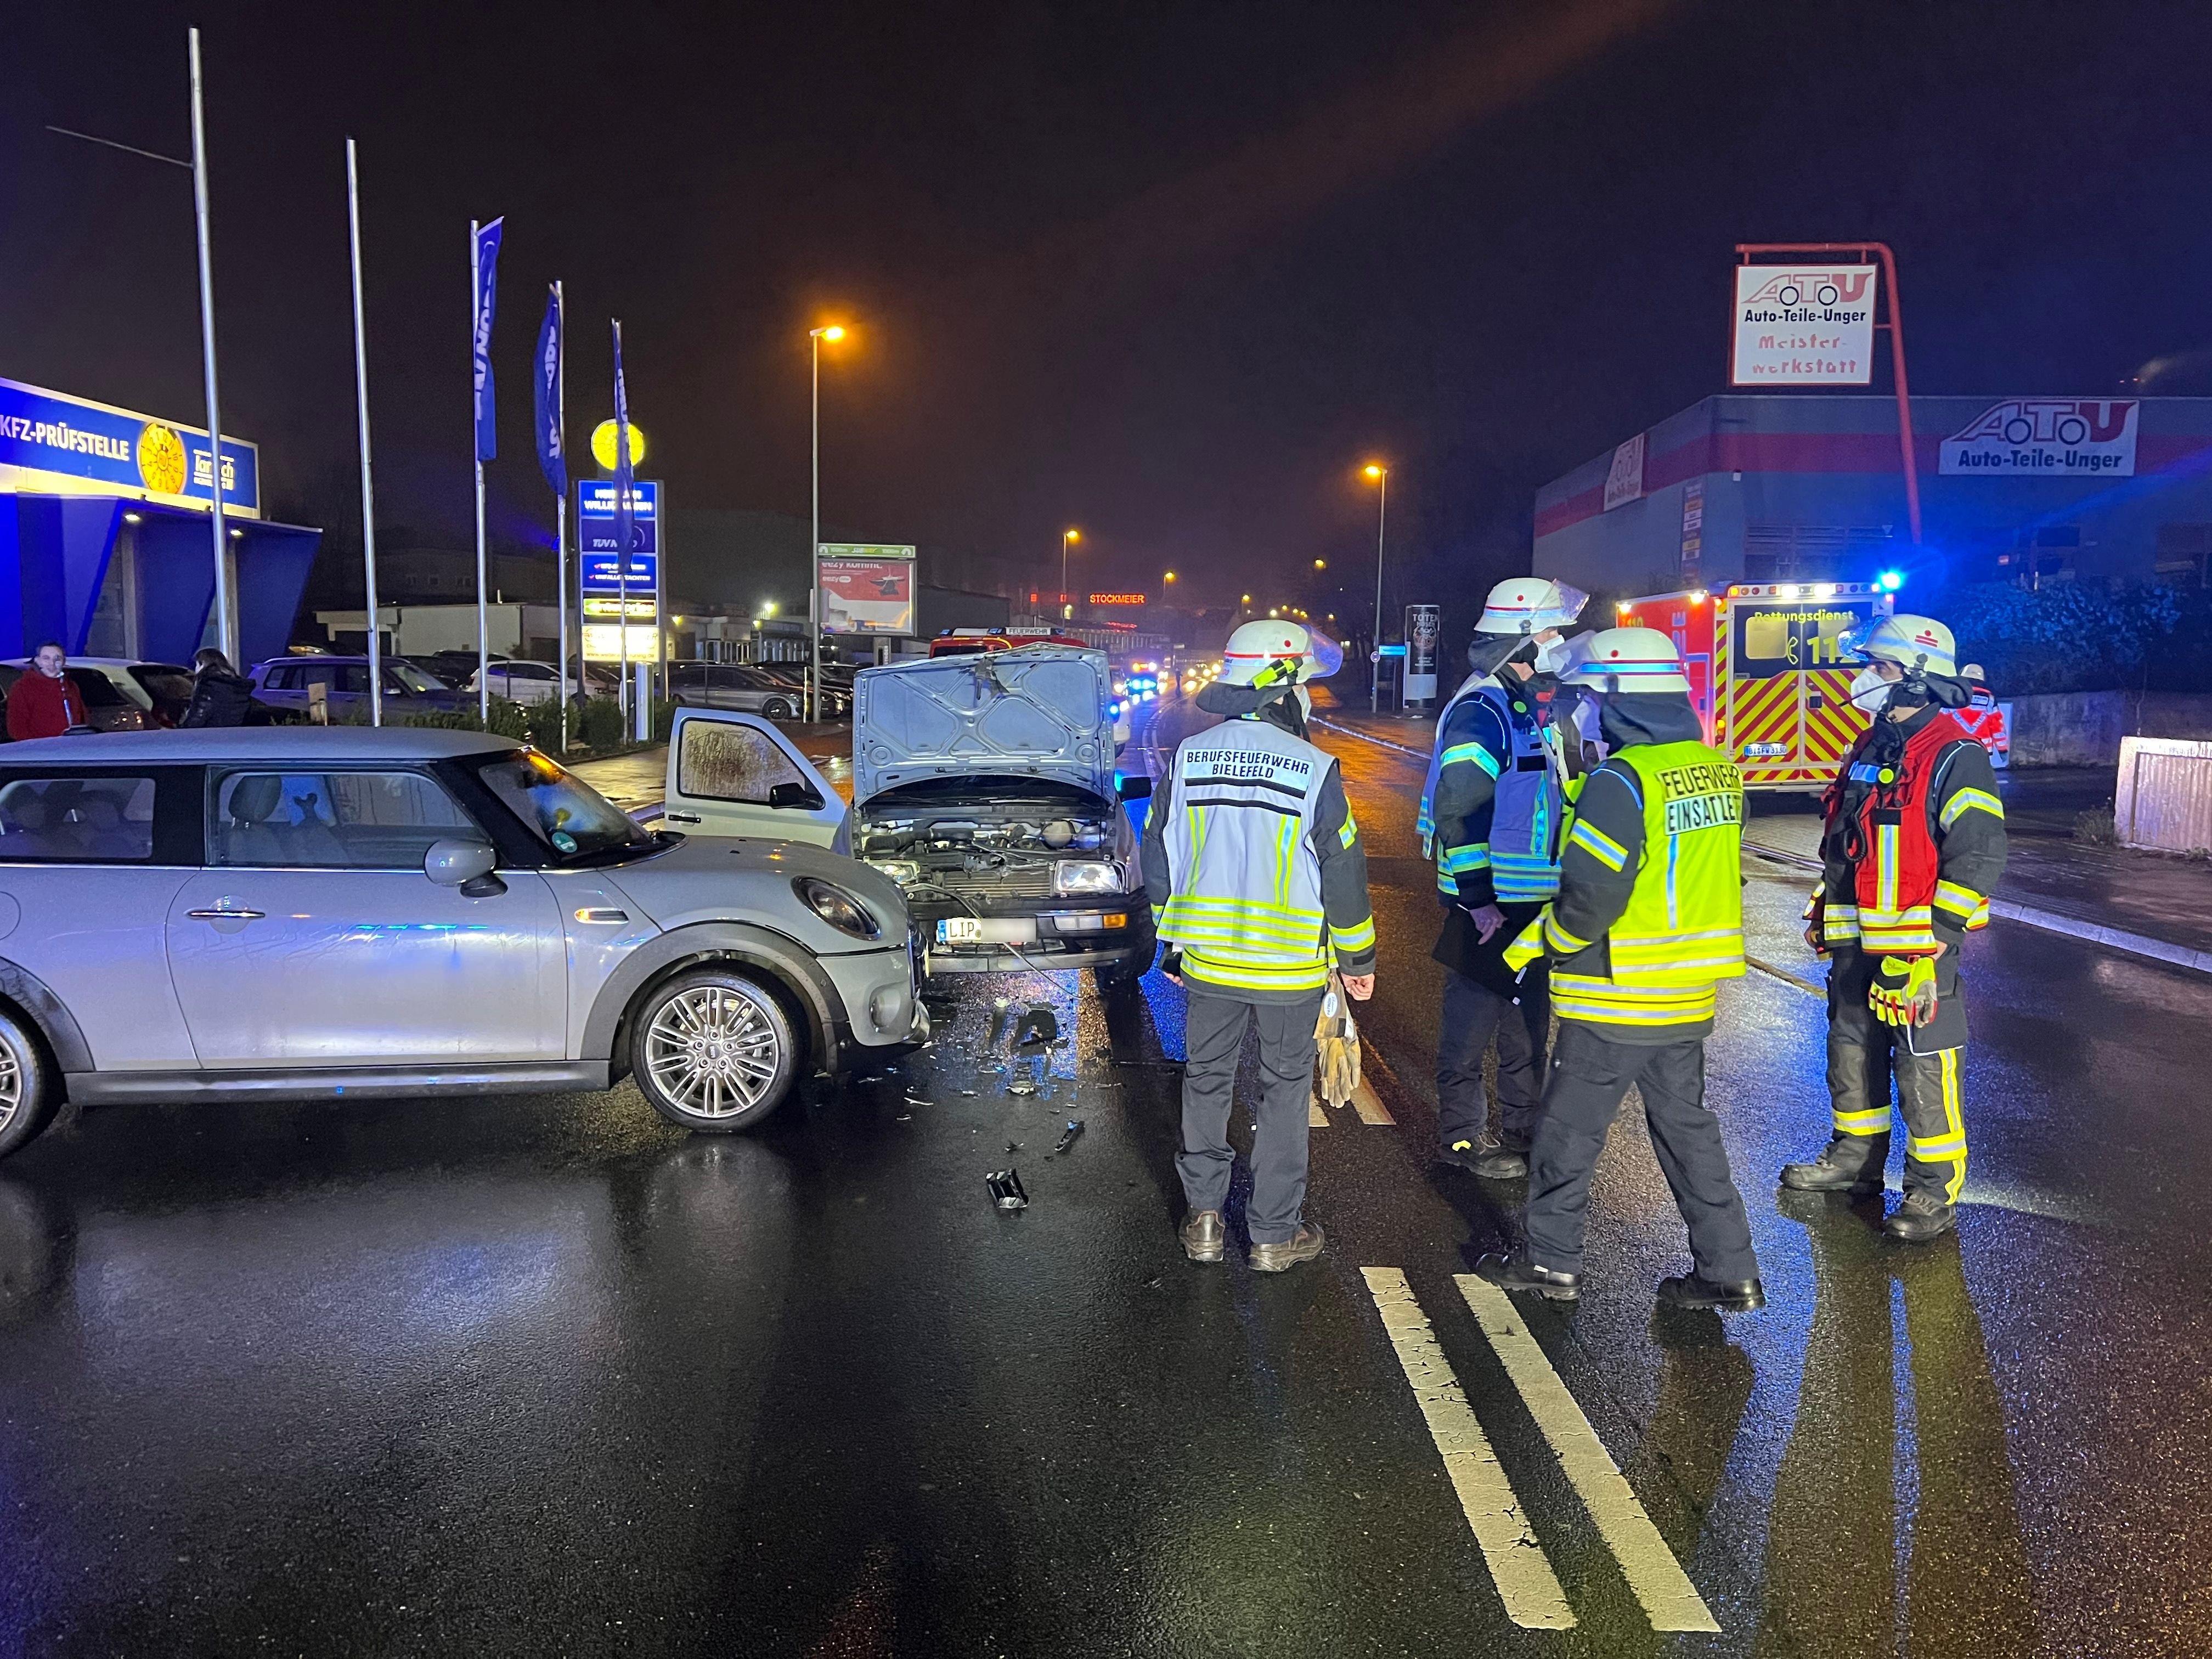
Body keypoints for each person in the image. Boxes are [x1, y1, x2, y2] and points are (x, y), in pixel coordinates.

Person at [1475, 626, 1763, 1311]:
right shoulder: (1716, 767)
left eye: (1593, 696)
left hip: (1617, 989)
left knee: (1568, 1134)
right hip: (1688, 993)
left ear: (1619, 698)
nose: (1586, 710)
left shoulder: (1620, 780)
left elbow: (1593, 895)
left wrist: (1551, 940)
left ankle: (1551, 1263)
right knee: (1688, 1129)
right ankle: (1730, 1269)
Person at [1143, 618, 1377, 1272]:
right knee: (1282, 1094)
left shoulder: (1189, 756)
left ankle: (1206, 1224)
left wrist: (1171, 947)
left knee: (1207, 1082)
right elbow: (1342, 868)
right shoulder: (1312, 766)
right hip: (1290, 967)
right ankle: (1273, 1237)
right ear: (1284, 686)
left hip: (1209, 961)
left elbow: (1158, 854)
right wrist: (1357, 961)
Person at [1781, 614, 2008, 1243]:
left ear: (1915, 679)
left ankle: (1932, 1193)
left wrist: (1936, 937)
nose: (1865, 679)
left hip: (1918, 950)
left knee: (1924, 1065)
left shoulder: (1956, 755)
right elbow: (1847, 840)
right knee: (1851, 1049)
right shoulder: (1871, 746)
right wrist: (1827, 911)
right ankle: (1855, 1161)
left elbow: (1980, 853)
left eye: (1878, 668)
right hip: (1857, 944)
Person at [1417, 577, 1589, 1178]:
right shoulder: (1482, 709)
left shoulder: (1521, 708)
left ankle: (1521, 1128)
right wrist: (1478, 900)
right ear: (1522, 641)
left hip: (1530, 898)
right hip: (1492, 901)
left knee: (1526, 1024)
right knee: (1471, 1027)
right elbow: (1459, 810)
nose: (1558, 642)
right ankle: (1462, 1139)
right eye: (1550, 632)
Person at [6, 642, 89, 741]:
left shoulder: (71, 686)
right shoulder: (22, 687)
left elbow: (82, 717)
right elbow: (17, 726)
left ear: (64, 661)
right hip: (42, 751)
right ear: (38, 661)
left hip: (70, 748)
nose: (52, 663)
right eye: (46, 658)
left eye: (57, 658)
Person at [179, 647, 255, 729]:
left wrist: (184, 725)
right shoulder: (239, 688)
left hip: (210, 737)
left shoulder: (207, 686)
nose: (195, 669)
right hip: (233, 737)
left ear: (203, 664)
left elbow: (195, 721)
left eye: (197, 665)